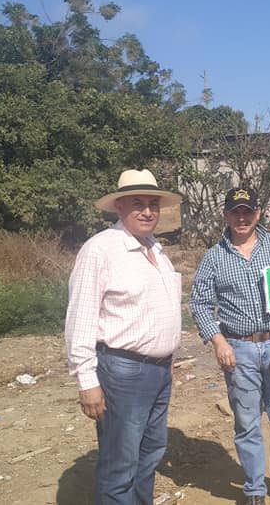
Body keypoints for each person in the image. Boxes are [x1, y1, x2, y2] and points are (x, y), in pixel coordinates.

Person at [65, 168, 183, 505]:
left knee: (150, 454)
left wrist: (165, 359)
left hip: (159, 371)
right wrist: (87, 381)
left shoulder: (156, 249)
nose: (147, 211)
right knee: (121, 464)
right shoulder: (101, 250)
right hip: (123, 372)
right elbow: (80, 318)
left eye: (152, 204)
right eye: (137, 204)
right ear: (119, 207)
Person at [190, 187, 270, 505]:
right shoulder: (214, 256)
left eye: (247, 211)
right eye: (235, 212)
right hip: (238, 349)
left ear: (258, 213)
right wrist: (218, 342)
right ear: (226, 215)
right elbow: (199, 303)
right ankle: (255, 489)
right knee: (247, 423)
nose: (241, 218)